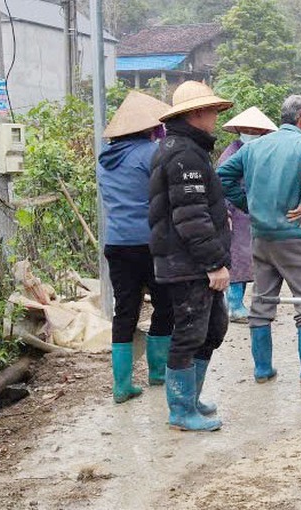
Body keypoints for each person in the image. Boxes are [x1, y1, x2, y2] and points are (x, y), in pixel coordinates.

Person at [217, 95, 301, 386]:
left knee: (261, 301)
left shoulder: (254, 147)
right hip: (295, 236)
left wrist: (247, 205)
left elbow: (221, 176)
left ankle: (262, 369)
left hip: (261, 238)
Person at [149, 81, 233, 432]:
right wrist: (214, 262)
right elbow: (191, 216)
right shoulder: (184, 156)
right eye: (212, 111)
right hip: (189, 265)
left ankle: (191, 398)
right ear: (196, 113)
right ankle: (180, 411)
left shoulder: (187, 149)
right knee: (189, 333)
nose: (216, 117)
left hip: (189, 262)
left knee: (212, 329)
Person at [97, 91, 175, 404]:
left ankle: (122, 385)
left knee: (125, 311)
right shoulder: (152, 153)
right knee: (164, 304)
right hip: (150, 242)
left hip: (117, 243)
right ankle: (158, 373)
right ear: (147, 127)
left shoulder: (105, 159)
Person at [217, 107, 279, 323]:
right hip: (235, 215)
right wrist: (226, 213)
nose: (253, 132)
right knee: (238, 260)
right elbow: (222, 184)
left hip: (250, 215)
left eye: (257, 130)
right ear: (240, 129)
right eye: (249, 129)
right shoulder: (231, 154)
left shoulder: (256, 152)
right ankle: (234, 306)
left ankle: (232, 304)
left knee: (247, 260)